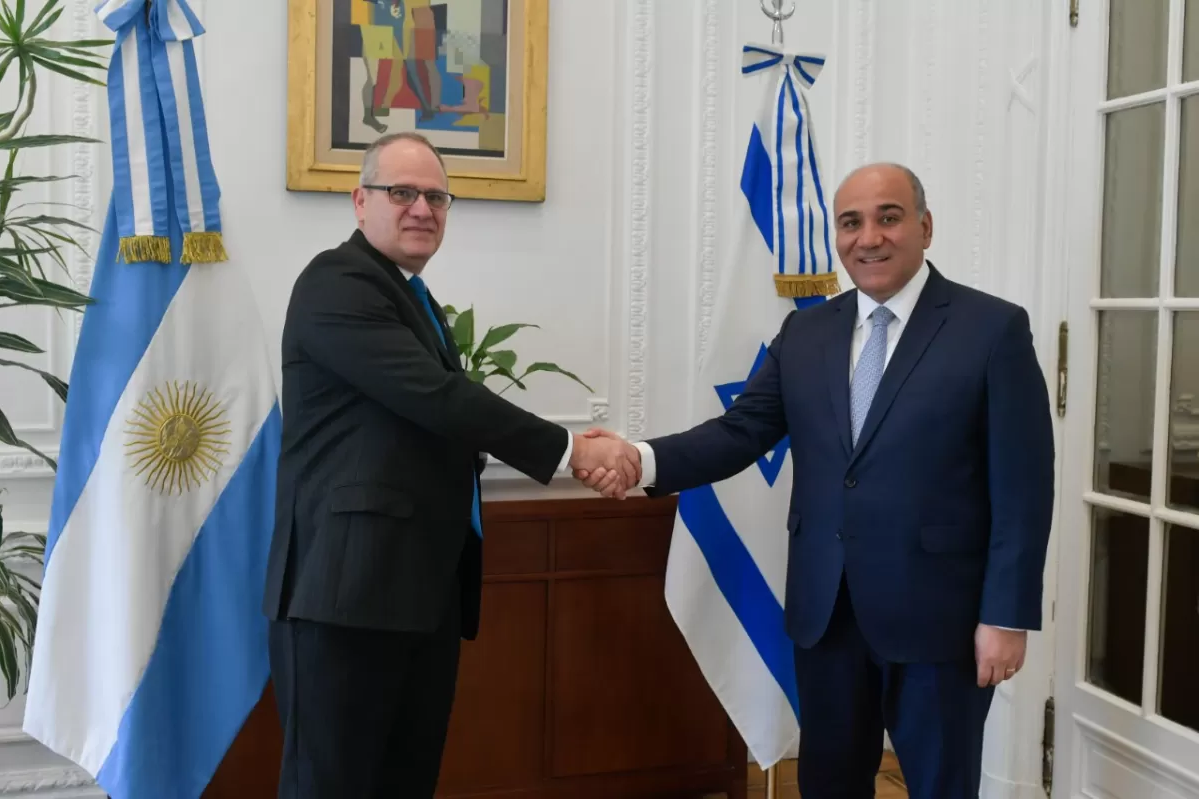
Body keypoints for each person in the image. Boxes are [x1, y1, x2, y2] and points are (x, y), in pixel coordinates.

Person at [578, 163, 1055, 799]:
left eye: (888, 217)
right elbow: (741, 431)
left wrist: (1006, 614)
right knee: (829, 785)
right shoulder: (807, 331)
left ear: (925, 226)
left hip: (939, 620)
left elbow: (1024, 487)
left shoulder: (991, 329)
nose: (869, 238)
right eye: (851, 223)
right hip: (826, 614)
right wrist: (642, 458)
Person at [261, 131, 639, 799]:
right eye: (402, 192)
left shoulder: (413, 297)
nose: (422, 209)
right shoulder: (336, 282)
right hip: (346, 599)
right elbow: (433, 396)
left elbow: (414, 422)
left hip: (414, 594)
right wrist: (573, 451)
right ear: (359, 201)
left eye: (436, 196)